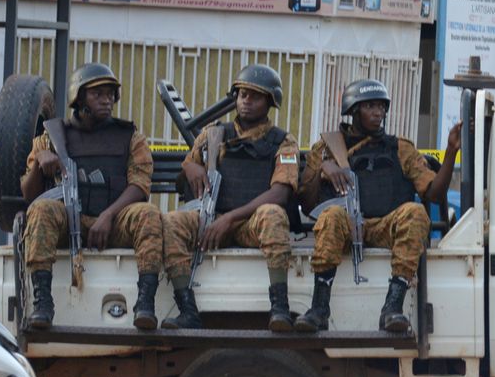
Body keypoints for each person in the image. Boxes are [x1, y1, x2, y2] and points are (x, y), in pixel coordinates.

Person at [298, 79, 461, 333]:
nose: (378, 113)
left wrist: (450, 151)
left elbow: (434, 193)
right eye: (370, 106)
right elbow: (306, 202)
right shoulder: (327, 148)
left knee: (415, 212)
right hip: (347, 227)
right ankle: (319, 308)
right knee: (330, 216)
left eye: (382, 107)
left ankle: (392, 307)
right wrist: (322, 169)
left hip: (387, 227)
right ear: (353, 112)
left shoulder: (400, 148)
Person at [19, 63, 163, 330]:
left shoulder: (130, 136)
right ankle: (42, 303)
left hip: (115, 221)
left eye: (110, 94)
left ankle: (145, 302)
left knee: (149, 214)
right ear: (79, 97)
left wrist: (108, 215)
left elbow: (140, 186)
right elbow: (29, 195)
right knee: (41, 211)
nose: (107, 99)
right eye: (98, 94)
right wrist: (41, 161)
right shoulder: (51, 137)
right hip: (68, 220)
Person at [161, 64, 300, 331]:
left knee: (273, 214)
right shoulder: (214, 134)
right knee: (172, 222)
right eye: (242, 94)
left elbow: (280, 192)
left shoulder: (283, 141)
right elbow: (185, 178)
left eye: (255, 96)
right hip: (210, 219)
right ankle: (187, 309)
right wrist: (190, 167)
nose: (246, 101)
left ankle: (280, 307)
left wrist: (230, 220)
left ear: (270, 102)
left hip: (249, 224)